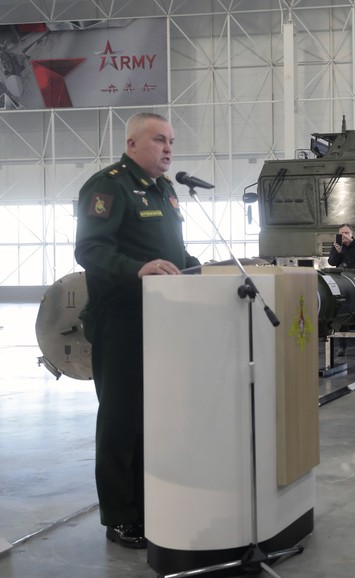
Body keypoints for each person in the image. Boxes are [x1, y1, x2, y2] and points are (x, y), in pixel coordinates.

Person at [75, 112, 201, 549]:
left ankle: (148, 504)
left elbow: (173, 250)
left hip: (163, 318)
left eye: (171, 141)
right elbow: (90, 248)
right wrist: (137, 270)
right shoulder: (107, 185)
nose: (168, 148)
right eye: (159, 140)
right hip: (122, 319)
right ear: (132, 144)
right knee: (121, 419)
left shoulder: (164, 189)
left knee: (155, 418)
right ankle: (119, 515)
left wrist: (198, 268)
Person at [328, 223, 355, 356]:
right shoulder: (337, 246)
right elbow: (332, 262)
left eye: (346, 233)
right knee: (343, 314)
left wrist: (351, 242)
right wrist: (337, 251)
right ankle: (341, 347)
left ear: (351, 233)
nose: (344, 235)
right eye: (341, 233)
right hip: (343, 283)